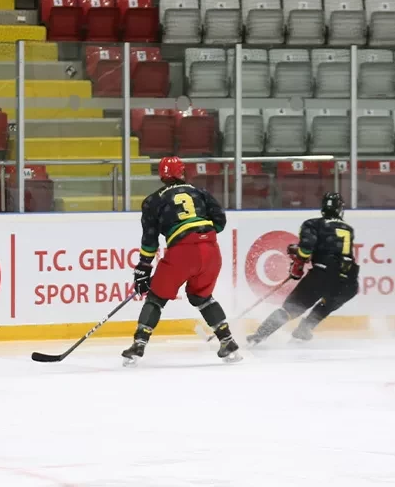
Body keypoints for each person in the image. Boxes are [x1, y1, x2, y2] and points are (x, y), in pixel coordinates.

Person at [123, 155, 239, 366]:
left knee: (156, 299)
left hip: (182, 253)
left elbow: (150, 239)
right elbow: (220, 222)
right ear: (183, 172)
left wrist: (143, 268)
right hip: (211, 251)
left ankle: (139, 345)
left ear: (161, 175)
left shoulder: (153, 200)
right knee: (202, 297)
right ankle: (227, 341)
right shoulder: (200, 193)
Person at [247, 192, 359, 345]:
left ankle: (260, 335)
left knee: (290, 309)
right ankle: (304, 329)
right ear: (340, 209)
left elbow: (306, 249)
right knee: (328, 303)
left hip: (322, 275)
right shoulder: (348, 229)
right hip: (347, 281)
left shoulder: (313, 224)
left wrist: (298, 265)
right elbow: (334, 250)